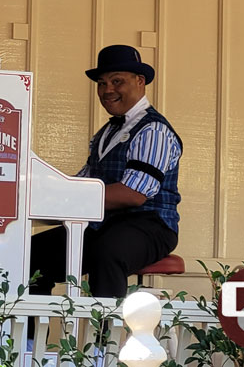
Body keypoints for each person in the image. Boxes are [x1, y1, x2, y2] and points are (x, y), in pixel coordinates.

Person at [30, 44, 182, 298]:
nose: (107, 90)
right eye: (102, 83)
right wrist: (40, 197)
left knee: (108, 252)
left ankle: (104, 336)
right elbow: (82, 182)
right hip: (104, 224)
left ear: (140, 81)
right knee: (31, 254)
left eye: (117, 81)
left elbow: (134, 194)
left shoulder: (153, 130)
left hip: (149, 225)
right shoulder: (106, 133)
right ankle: (30, 339)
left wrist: (71, 199)